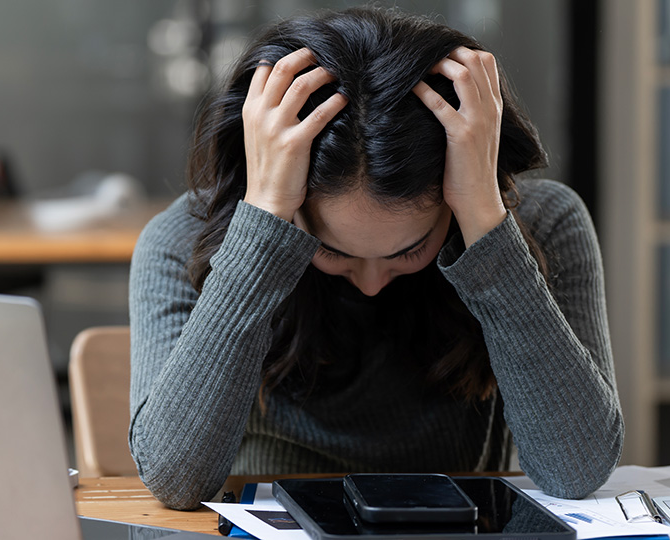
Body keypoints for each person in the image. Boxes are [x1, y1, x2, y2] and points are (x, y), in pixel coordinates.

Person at [128, 6, 623, 510]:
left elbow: (575, 470)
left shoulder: (540, 223)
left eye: (409, 250)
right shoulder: (187, 239)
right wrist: (262, 228)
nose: (370, 284)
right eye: (331, 250)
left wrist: (484, 222)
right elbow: (175, 478)